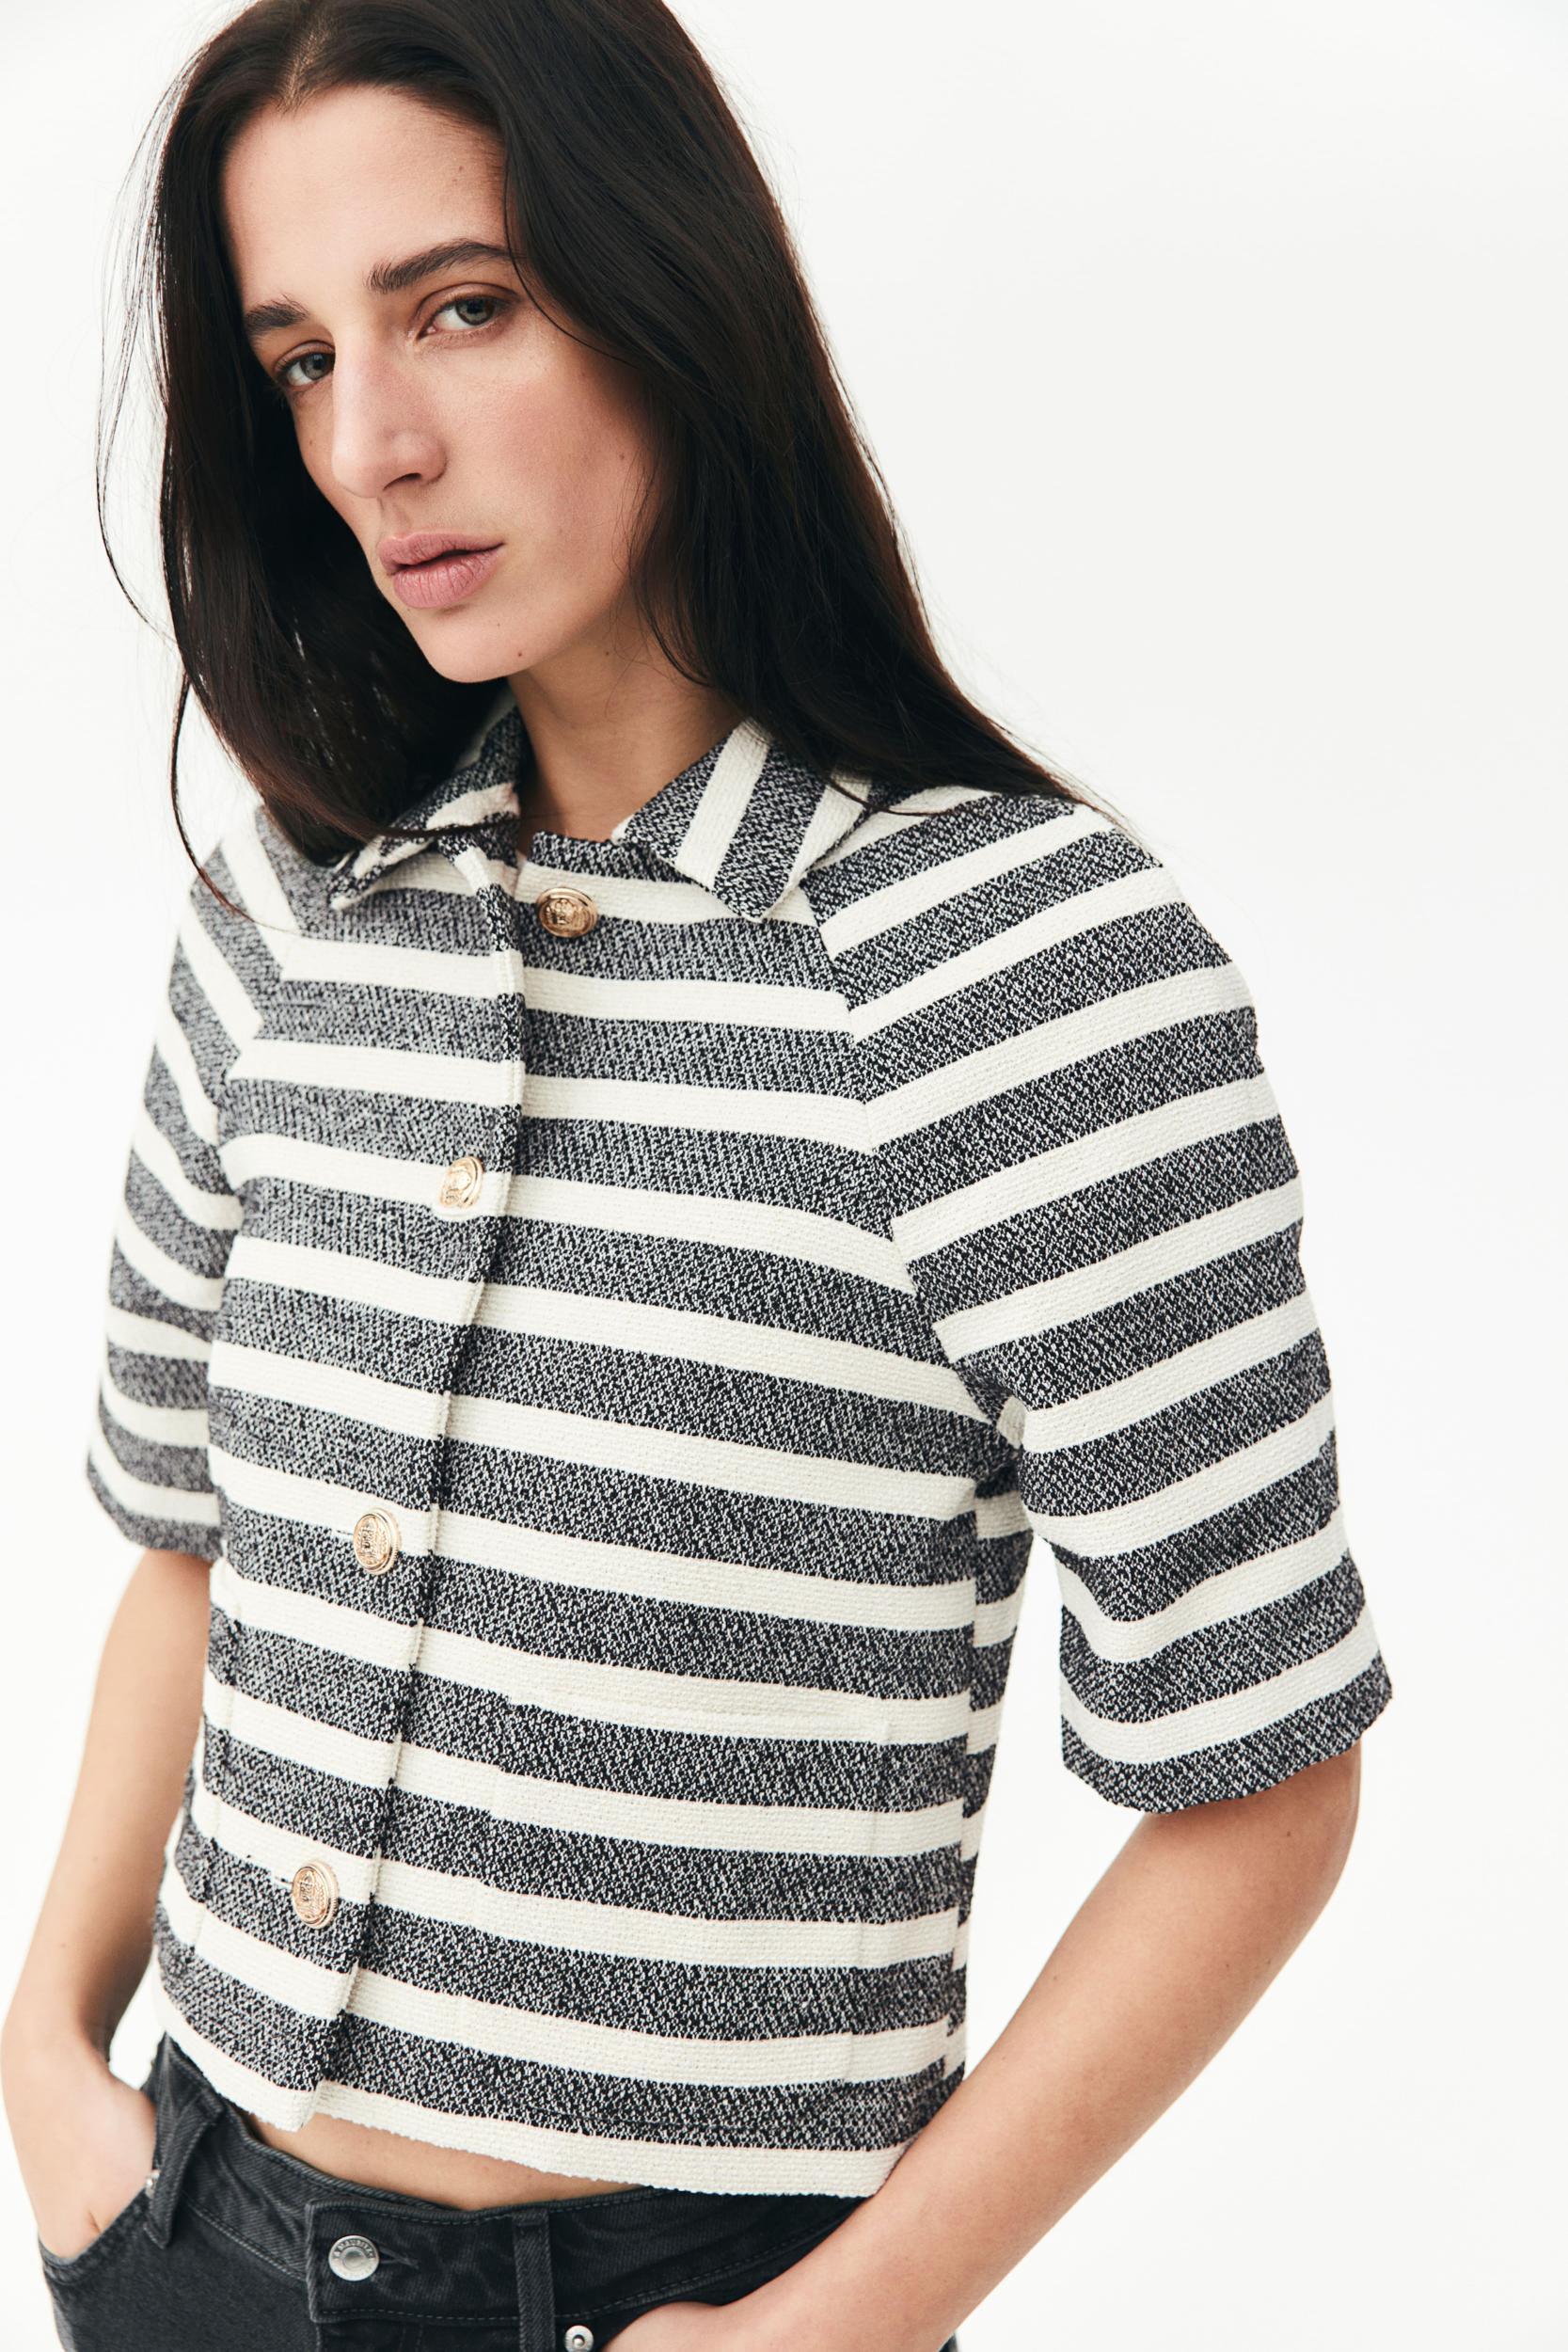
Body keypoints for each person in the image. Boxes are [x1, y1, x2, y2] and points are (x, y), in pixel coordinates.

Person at [2, 2, 1394, 2346]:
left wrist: (830, 2326)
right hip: (185, 2242)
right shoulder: (290, 904)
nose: (374, 444)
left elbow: (1263, 1771)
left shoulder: (1021, 968)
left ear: (669, 287)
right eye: (302, 360)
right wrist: (49, 2048)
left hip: (693, 2301)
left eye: (463, 306)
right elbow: (189, 1542)